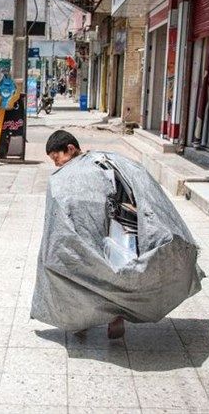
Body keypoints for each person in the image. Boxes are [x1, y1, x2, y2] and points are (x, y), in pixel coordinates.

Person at [44, 129, 127, 338]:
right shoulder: (101, 164)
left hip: (97, 231)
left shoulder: (94, 166)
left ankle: (91, 319)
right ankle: (106, 318)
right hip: (94, 232)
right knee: (105, 274)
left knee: (84, 274)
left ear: (70, 149)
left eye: (57, 158)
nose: (56, 164)